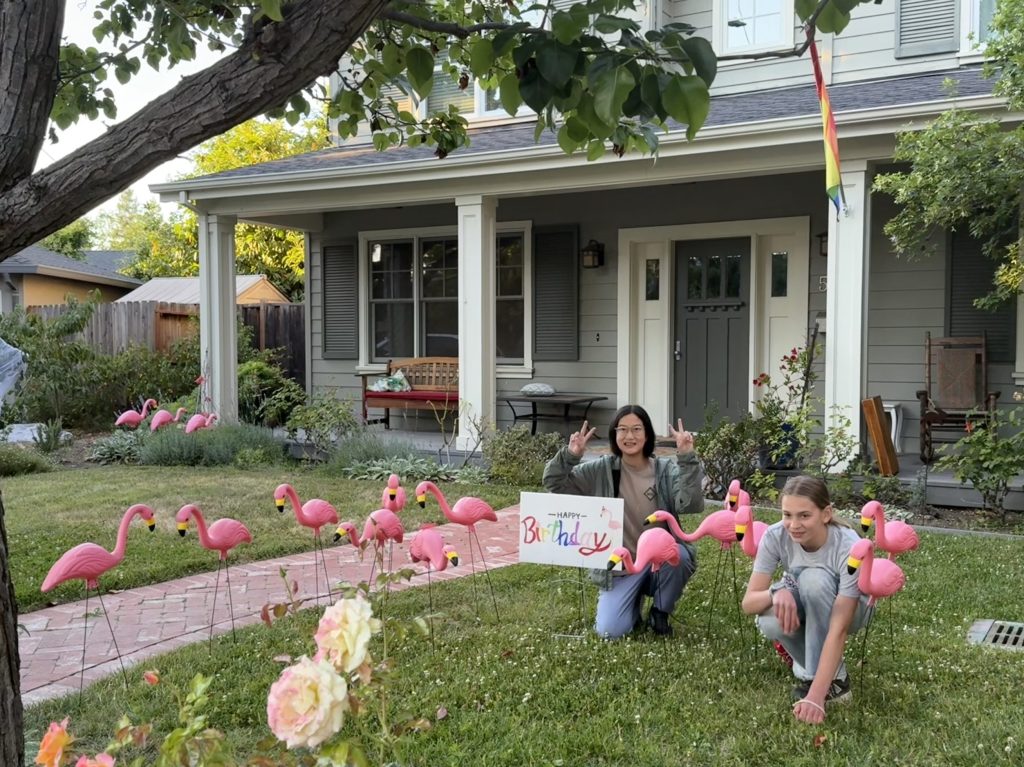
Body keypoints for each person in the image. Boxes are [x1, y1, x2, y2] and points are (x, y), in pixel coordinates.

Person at [542, 404, 703, 638]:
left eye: (637, 429)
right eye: (623, 429)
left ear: (647, 434)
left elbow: (690, 504)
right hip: (621, 568)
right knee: (609, 632)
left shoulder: (664, 470)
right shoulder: (600, 470)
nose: (630, 436)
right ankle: (632, 604)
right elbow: (553, 483)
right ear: (614, 434)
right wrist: (571, 455)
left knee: (680, 554)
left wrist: (687, 458)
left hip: (658, 562)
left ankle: (660, 612)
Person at [740, 475, 874, 724]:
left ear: (826, 514)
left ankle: (817, 681)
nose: (793, 525)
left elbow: (839, 628)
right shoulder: (774, 536)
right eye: (787, 514)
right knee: (770, 621)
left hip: (853, 610)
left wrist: (814, 697)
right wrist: (777, 591)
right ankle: (837, 681)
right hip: (809, 600)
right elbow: (749, 603)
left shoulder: (847, 546)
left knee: (814, 581)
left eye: (804, 515)